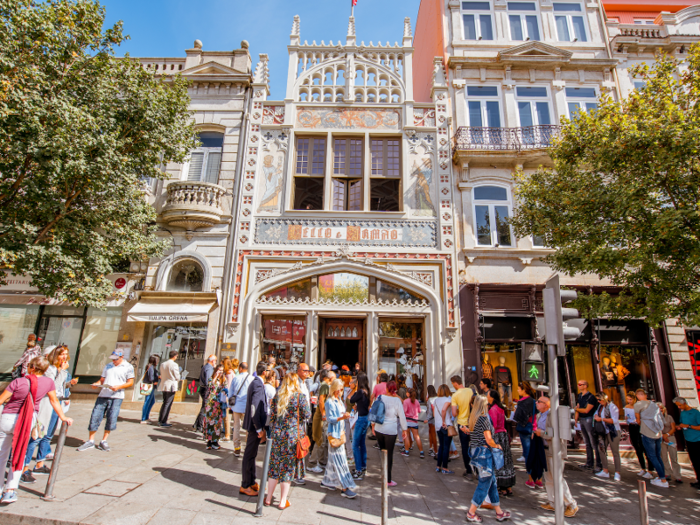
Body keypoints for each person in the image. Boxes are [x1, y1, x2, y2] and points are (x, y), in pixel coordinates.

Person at [0, 356, 73, 505]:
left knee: (2, 455)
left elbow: (1, 400)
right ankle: (10, 490)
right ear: (45, 369)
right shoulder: (48, 382)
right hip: (27, 421)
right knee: (19, 453)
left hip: (7, 418)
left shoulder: (18, 381)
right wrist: (63, 417)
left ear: (31, 367)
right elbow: (54, 401)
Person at [21, 346, 76, 483]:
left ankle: (39, 463)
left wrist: (68, 383)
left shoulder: (60, 370)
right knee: (36, 437)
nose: (64, 357)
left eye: (66, 354)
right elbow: (52, 386)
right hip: (46, 404)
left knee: (48, 436)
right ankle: (24, 469)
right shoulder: (49, 369)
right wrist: (62, 371)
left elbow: (60, 387)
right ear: (54, 355)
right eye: (61, 354)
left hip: (57, 404)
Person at [264, 373, 310, 509]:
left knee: (275, 466)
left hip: (277, 435)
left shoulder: (278, 396)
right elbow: (307, 414)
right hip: (292, 437)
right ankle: (283, 501)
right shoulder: (299, 397)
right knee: (287, 468)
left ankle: (268, 497)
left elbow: (271, 416)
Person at [77, 349, 134, 452]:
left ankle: (104, 440)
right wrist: (97, 384)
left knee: (111, 418)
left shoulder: (128, 367)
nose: (114, 361)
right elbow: (102, 380)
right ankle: (90, 440)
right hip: (103, 394)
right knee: (95, 415)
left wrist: (119, 386)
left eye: (116, 359)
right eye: (113, 359)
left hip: (117, 396)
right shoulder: (108, 366)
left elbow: (130, 382)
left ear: (122, 357)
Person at [465, 395, 511, 523]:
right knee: (484, 483)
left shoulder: (473, 418)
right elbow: (489, 439)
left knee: (492, 483)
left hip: (476, 451)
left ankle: (499, 512)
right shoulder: (484, 419)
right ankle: (471, 512)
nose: (488, 406)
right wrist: (497, 446)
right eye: (486, 404)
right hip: (484, 453)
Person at [536, 396, 579, 517]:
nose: (536, 403)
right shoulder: (540, 415)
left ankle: (571, 504)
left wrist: (541, 433)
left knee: (557, 478)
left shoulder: (554, 416)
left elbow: (554, 434)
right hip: (544, 450)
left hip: (554, 451)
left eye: (539, 402)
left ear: (546, 404)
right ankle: (552, 501)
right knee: (548, 478)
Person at [320, 379, 357, 498]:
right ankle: (345, 487)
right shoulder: (329, 402)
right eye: (340, 390)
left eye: (342, 389)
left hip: (340, 432)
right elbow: (330, 419)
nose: (341, 392)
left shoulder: (339, 400)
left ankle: (327, 481)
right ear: (335, 390)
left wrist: (347, 415)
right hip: (334, 434)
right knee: (341, 461)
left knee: (333, 459)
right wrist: (342, 417)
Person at [240, 361, 268, 497]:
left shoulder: (256, 382)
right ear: (265, 372)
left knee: (252, 454)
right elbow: (254, 407)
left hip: (253, 425)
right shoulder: (257, 384)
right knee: (249, 454)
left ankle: (251, 481)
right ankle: (245, 484)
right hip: (254, 426)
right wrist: (258, 428)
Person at [372, 380, 408, 486]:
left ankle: (383, 474)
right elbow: (402, 416)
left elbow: (374, 411)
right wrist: (404, 429)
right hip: (390, 430)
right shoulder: (397, 401)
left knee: (382, 452)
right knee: (389, 454)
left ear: (386, 388)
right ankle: (388, 479)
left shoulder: (380, 398)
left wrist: (373, 426)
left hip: (379, 428)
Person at [634, 388, 668, 488]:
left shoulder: (638, 404)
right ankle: (662, 476)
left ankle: (663, 480)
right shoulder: (654, 404)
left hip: (647, 432)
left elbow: (638, 420)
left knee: (652, 456)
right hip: (658, 433)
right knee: (658, 456)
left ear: (637, 396)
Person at [488, 390, 515, 496]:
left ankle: (502, 487)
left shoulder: (493, 410)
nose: (487, 397)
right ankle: (508, 486)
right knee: (506, 460)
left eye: (488, 395)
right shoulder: (501, 408)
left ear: (492, 398)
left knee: (499, 461)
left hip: (497, 437)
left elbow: (493, 426)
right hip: (503, 435)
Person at [307, 369, 335, 473]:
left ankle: (322, 461)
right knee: (320, 439)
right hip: (322, 415)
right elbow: (321, 400)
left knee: (323, 439)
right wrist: (323, 414)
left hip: (324, 414)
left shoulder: (325, 385)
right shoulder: (324, 385)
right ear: (329, 378)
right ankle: (312, 463)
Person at [625, 391, 653, 478]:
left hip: (640, 427)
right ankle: (643, 468)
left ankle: (650, 470)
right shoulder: (626, 407)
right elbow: (627, 417)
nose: (629, 401)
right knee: (637, 448)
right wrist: (628, 420)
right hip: (632, 427)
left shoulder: (639, 406)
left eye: (630, 399)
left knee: (644, 448)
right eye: (628, 399)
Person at [594, 393, 621, 481]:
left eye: (599, 399)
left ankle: (617, 472)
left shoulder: (612, 407)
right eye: (597, 400)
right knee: (601, 449)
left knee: (615, 452)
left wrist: (601, 419)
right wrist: (596, 417)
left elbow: (614, 420)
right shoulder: (600, 407)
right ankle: (605, 470)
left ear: (604, 399)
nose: (598, 401)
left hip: (613, 431)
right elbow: (596, 415)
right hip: (603, 432)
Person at [673, 396, 700, 488]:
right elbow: (682, 424)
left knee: (698, 460)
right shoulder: (683, 413)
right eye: (677, 406)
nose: (679, 407)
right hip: (688, 440)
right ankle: (698, 479)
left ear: (684, 403)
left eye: (680, 405)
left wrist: (688, 426)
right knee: (694, 461)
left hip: (697, 440)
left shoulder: (695, 413)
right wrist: (679, 427)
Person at [574, 380, 601, 472]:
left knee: (593, 442)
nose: (578, 386)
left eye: (580, 384)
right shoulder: (579, 396)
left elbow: (586, 410)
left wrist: (577, 410)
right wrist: (576, 419)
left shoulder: (591, 397)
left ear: (585, 386)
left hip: (589, 419)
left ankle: (598, 464)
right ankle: (589, 463)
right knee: (587, 442)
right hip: (582, 420)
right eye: (578, 384)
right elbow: (578, 408)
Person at [450, 375, 474, 477]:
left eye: (452, 384)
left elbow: (454, 413)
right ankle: (476, 467)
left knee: (464, 447)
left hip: (462, 423)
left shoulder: (455, 395)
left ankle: (468, 470)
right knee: (474, 446)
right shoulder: (471, 391)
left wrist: (460, 411)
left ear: (455, 383)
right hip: (473, 423)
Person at [230, 362, 253, 457]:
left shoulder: (236, 378)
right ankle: (247, 447)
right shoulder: (251, 379)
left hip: (237, 405)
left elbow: (231, 392)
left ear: (240, 368)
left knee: (236, 426)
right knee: (248, 427)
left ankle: (237, 447)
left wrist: (230, 404)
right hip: (247, 406)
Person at [350, 373, 370, 479]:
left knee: (355, 445)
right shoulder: (367, 391)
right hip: (366, 418)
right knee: (362, 444)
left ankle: (358, 470)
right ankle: (363, 467)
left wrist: (355, 389)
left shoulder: (360, 391)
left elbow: (351, 399)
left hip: (361, 419)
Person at [657, 402, 681, 484]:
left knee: (673, 457)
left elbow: (673, 428)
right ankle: (667, 473)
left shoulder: (669, 417)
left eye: (661, 408)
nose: (660, 410)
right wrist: (663, 436)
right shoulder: (655, 418)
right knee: (664, 457)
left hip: (670, 438)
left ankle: (678, 475)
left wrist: (667, 435)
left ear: (664, 409)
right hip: (661, 438)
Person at [203, 364, 227, 450]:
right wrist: (214, 378)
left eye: (222, 370)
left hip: (219, 404)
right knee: (210, 422)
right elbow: (209, 387)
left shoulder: (223, 380)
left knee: (217, 423)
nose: (220, 372)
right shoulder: (211, 379)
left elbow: (225, 388)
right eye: (219, 370)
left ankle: (215, 441)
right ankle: (209, 441)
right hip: (211, 403)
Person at [433, 384, 454, 475]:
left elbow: (434, 414)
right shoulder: (448, 400)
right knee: (446, 447)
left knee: (441, 445)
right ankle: (445, 467)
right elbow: (444, 410)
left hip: (437, 425)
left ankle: (438, 466)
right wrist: (444, 421)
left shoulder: (435, 400)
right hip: (446, 425)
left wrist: (440, 421)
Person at [194, 355, 217, 433]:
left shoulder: (206, 367)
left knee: (204, 407)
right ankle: (199, 425)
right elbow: (208, 381)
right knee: (204, 407)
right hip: (206, 389)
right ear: (212, 360)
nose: (215, 362)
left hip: (203, 388)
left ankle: (196, 424)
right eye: (215, 361)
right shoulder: (209, 368)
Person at [401, 388, 424, 459]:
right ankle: (421, 452)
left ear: (408, 394)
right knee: (417, 436)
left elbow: (404, 411)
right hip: (414, 421)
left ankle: (407, 451)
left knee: (407, 436)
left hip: (407, 421)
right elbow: (419, 411)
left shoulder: (406, 401)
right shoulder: (417, 401)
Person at [141, 355, 160, 424]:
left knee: (152, 401)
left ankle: (146, 417)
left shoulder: (151, 367)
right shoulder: (151, 368)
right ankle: (143, 418)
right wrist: (157, 378)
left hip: (151, 387)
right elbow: (151, 378)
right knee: (147, 401)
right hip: (149, 386)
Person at [222, 358, 236, 441]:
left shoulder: (229, 373)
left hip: (227, 396)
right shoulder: (230, 372)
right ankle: (226, 429)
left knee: (226, 414)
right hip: (227, 395)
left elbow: (229, 385)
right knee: (226, 414)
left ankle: (226, 431)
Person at [426, 385, 439, 457]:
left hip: (432, 419)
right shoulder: (437, 398)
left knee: (432, 434)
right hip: (438, 418)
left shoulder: (430, 400)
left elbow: (429, 412)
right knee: (432, 433)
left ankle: (435, 450)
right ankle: (432, 448)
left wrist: (427, 419)